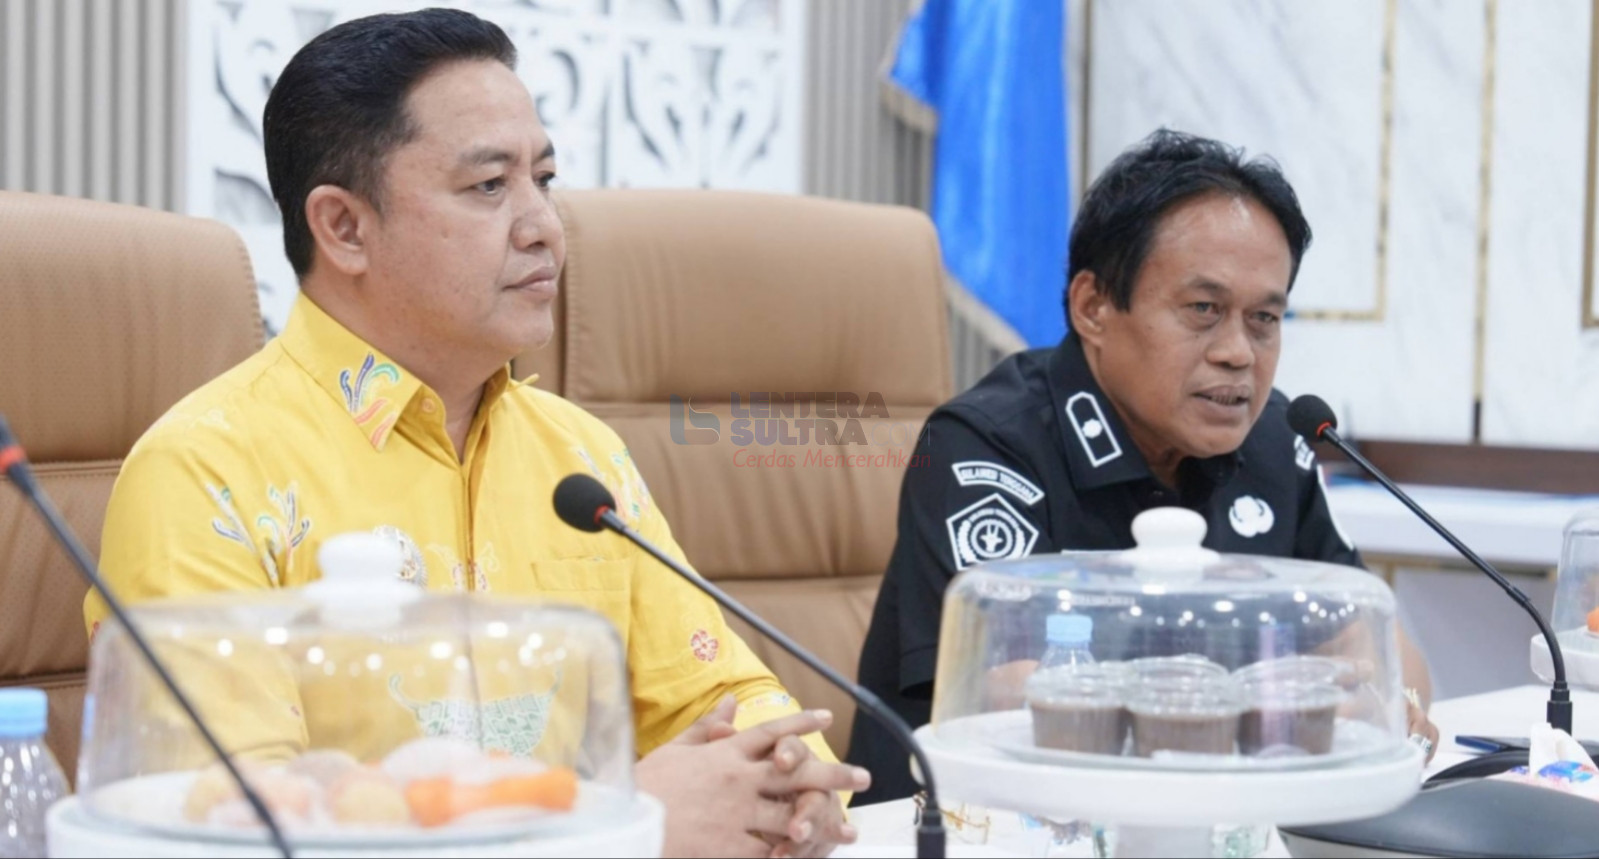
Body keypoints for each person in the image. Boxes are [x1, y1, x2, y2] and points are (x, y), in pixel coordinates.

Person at [86, 10, 862, 857]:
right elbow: (241, 828)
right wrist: (616, 824)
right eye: (489, 186)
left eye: (544, 178)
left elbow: (715, 695)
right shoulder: (205, 473)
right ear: (344, 227)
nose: (544, 226)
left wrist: (791, 782)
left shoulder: (580, 459)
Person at [846, 129, 1440, 805]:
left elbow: (1380, 646)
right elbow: (1011, 697)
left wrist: (1390, 703)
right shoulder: (986, 446)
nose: (1238, 353)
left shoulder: (1276, 441)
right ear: (1093, 308)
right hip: (968, 826)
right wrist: (1257, 703)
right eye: (1203, 310)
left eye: (1263, 319)